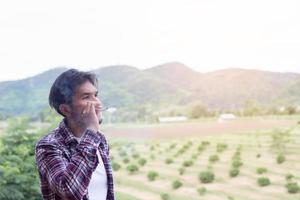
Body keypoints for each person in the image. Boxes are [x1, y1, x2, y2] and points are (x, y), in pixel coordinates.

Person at [35, 69, 115, 200]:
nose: (98, 103)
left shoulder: (100, 140)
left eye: (96, 95)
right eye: (86, 97)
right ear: (66, 109)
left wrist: (92, 135)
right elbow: (69, 192)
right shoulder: (48, 146)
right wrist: (91, 133)